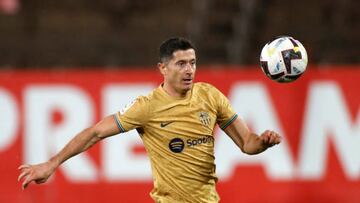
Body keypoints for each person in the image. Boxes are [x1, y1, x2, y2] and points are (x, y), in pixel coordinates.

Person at [18, 37, 281, 203]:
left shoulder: (210, 96)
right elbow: (95, 133)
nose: (189, 70)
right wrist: (52, 164)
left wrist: (264, 142)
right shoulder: (147, 107)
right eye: (181, 64)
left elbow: (247, 143)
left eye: (193, 62)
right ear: (163, 68)